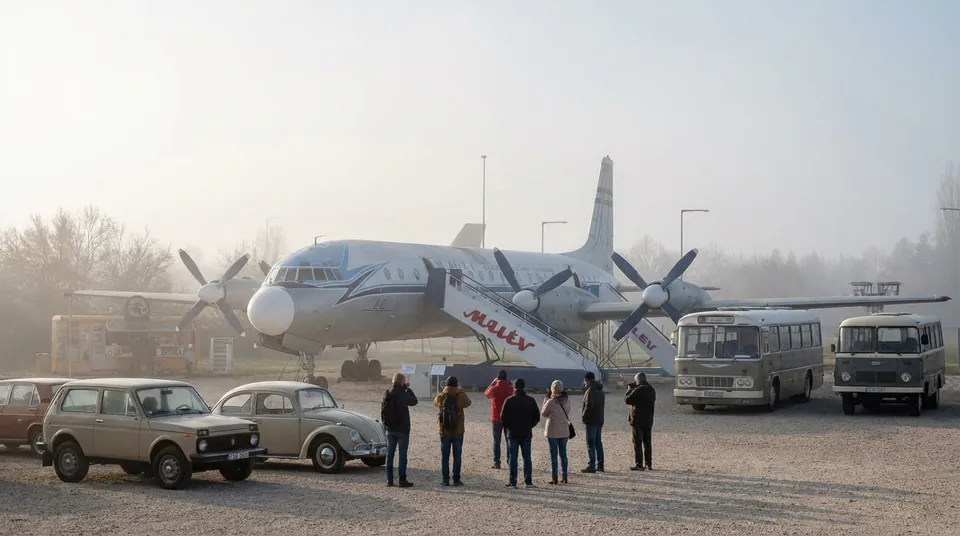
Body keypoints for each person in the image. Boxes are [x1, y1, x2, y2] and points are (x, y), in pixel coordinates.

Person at [499, 378, 540, 488]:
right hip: (526, 432)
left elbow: (502, 418)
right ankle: (528, 481)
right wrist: (530, 425)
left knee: (513, 458)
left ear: (514, 387)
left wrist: (508, 428)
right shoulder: (531, 400)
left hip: (513, 433)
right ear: (524, 387)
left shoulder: (509, 400)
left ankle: (513, 481)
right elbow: (537, 417)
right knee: (527, 457)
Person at [433, 376, 472, 486]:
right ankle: (456, 479)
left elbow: (435, 402)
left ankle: (445, 480)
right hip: (458, 431)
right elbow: (468, 402)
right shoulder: (460, 395)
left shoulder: (442, 396)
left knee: (445, 456)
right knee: (457, 456)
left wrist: (443, 391)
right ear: (456, 385)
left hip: (444, 431)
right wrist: (461, 390)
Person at [381, 372, 418, 487]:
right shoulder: (403, 393)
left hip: (390, 428)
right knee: (402, 455)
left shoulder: (388, 393)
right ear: (402, 382)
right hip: (402, 429)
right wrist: (408, 389)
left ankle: (389, 479)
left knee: (390, 454)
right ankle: (402, 479)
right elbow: (414, 401)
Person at [541, 379, 571, 485]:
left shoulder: (551, 401)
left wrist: (546, 398)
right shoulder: (566, 400)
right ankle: (565, 475)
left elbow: (544, 413)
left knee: (554, 455)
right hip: (564, 431)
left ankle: (554, 477)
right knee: (563, 454)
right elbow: (568, 411)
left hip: (553, 430)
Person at [624, 372, 656, 471]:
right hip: (648, 419)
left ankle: (639, 464)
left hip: (637, 420)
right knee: (647, 443)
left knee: (637, 442)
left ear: (638, 380)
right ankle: (649, 464)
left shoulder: (638, 390)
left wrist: (629, 390)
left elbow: (627, 400)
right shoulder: (652, 390)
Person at [484, 370, 514, 469]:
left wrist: (493, 382)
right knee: (508, 440)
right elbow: (514, 393)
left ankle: (497, 462)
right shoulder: (509, 388)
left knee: (496, 440)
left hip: (496, 417)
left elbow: (486, 394)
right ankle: (510, 461)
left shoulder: (495, 387)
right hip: (508, 417)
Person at [580, 371, 605, 473]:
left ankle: (591, 465)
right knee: (598, 442)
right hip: (599, 419)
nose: (584, 382)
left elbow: (589, 406)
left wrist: (584, 417)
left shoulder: (590, 391)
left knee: (591, 443)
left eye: (585, 380)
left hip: (591, 421)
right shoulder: (600, 390)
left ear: (587, 380)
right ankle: (600, 464)